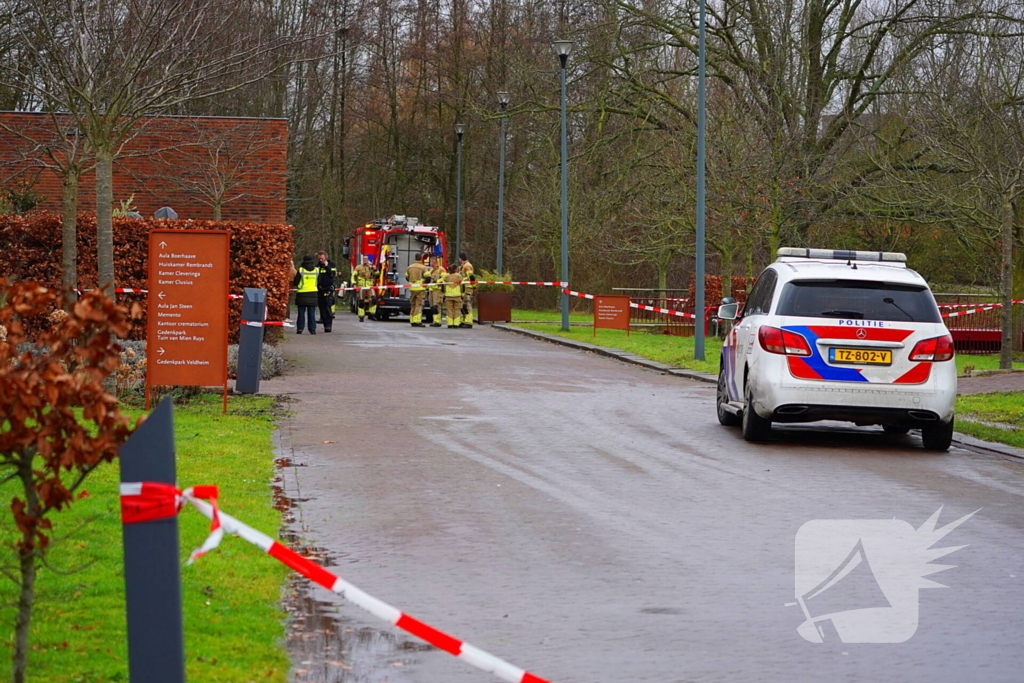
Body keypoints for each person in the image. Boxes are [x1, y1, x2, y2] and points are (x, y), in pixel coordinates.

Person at [292, 254, 319, 334]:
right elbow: (320, 281)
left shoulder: (301, 270)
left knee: (301, 313)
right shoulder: (316, 270)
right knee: (312, 313)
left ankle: (300, 328)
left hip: (302, 293)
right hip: (313, 293)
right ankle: (312, 329)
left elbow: (296, 282)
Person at [404, 253, 430, 327]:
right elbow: (428, 278)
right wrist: (425, 284)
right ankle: (417, 321)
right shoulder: (423, 267)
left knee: (413, 304)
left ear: (415, 258)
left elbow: (406, 277)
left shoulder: (409, 267)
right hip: (420, 288)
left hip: (412, 288)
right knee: (419, 305)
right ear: (421, 258)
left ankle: (412, 320)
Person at [315, 251, 337, 332]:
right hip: (319, 289)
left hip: (328, 289)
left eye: (322, 259)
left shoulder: (332, 265)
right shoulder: (317, 266)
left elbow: (332, 275)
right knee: (322, 308)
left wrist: (327, 266)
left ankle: (328, 326)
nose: (321, 260)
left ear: (326, 258)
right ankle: (324, 323)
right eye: (319, 259)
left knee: (328, 307)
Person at [353, 255, 377, 321]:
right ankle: (361, 317)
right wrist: (354, 283)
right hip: (361, 286)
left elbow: (377, 274)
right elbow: (353, 276)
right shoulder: (358, 267)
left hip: (370, 286)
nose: (365, 260)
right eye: (364, 259)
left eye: (366, 259)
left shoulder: (371, 267)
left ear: (368, 259)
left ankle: (372, 314)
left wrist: (375, 269)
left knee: (374, 300)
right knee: (361, 302)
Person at [428, 255, 447, 327]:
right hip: (431, 290)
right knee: (432, 306)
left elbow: (445, 277)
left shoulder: (441, 269)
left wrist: (438, 281)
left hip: (437, 290)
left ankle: (437, 321)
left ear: (434, 262)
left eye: (431, 262)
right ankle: (435, 320)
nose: (430, 263)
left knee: (437, 305)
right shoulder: (431, 270)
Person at [458, 253, 476, 328]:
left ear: (461, 258)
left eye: (459, 258)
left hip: (467, 288)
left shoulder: (467, 266)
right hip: (463, 288)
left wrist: (474, 286)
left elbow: (471, 277)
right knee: (463, 305)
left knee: (467, 305)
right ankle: (464, 320)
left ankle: (469, 322)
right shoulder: (463, 266)